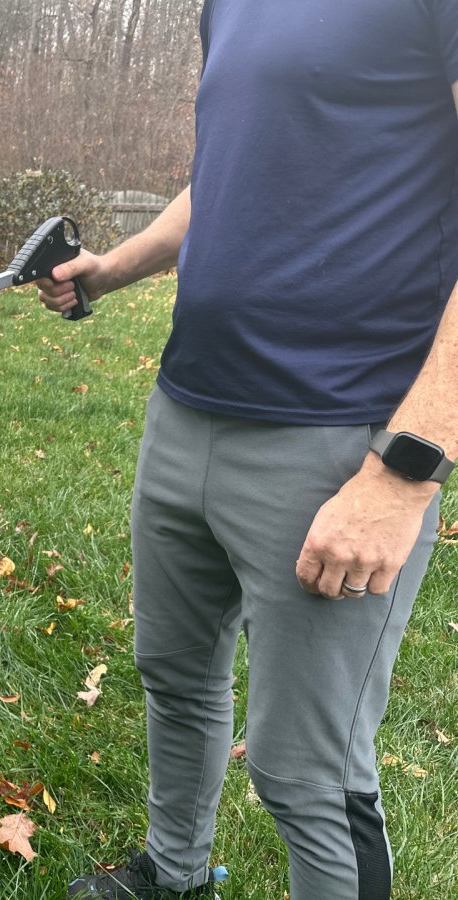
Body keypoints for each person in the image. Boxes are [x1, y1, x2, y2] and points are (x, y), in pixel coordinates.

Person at [38, 2, 458, 898]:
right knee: (176, 678)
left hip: (339, 438)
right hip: (187, 406)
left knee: (309, 771)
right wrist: (111, 269)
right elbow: (227, 174)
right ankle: (174, 872)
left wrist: (407, 470)